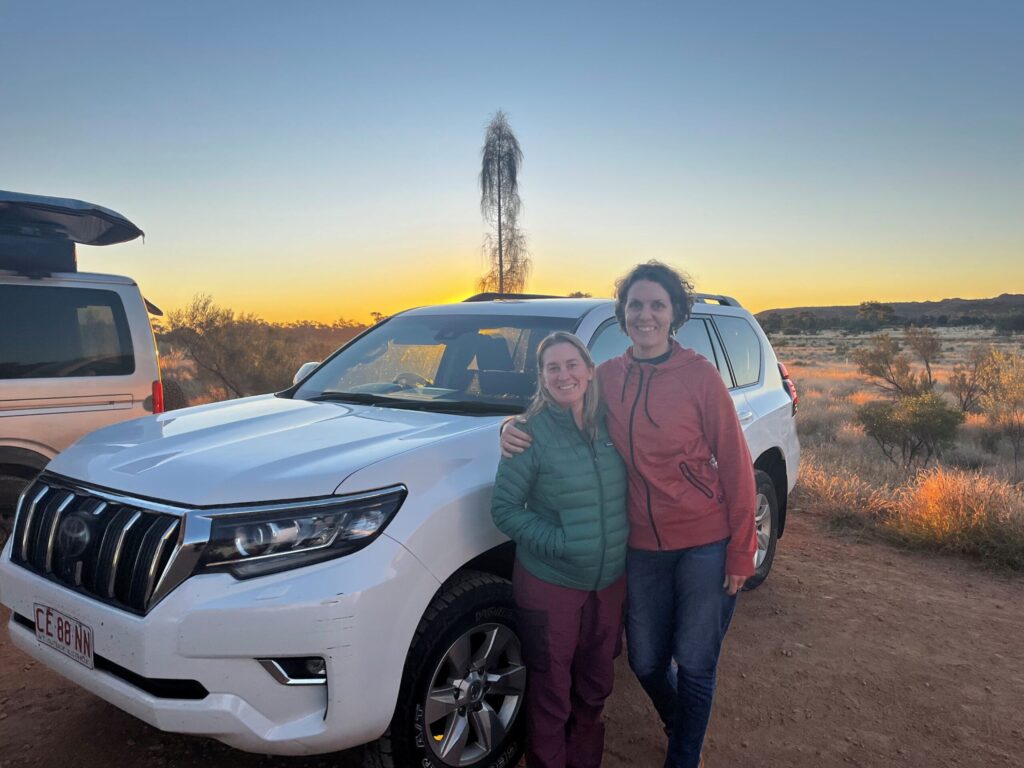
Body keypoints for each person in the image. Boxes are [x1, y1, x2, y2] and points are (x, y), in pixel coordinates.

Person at [501, 262, 756, 768]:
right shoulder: (609, 377)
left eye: (656, 305)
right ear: (623, 314)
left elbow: (735, 463)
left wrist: (742, 550)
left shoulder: (699, 376)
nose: (645, 315)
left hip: (704, 539)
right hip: (639, 547)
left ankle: (683, 755)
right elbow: (561, 404)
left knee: (697, 661)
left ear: (674, 314)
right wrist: (509, 424)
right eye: (635, 305)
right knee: (643, 659)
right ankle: (679, 719)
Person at [491, 331, 629, 768]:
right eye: (553, 367)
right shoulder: (529, 434)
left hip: (608, 584)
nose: (564, 374)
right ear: (543, 378)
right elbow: (505, 509)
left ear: (590, 371)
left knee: (594, 687)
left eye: (572, 365)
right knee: (552, 693)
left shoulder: (615, 423)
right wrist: (562, 543)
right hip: (551, 584)